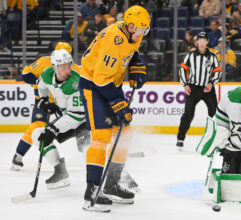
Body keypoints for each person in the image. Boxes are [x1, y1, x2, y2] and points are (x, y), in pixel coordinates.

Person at [79, 5, 150, 212]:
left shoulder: (133, 33)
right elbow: (101, 79)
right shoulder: (113, 39)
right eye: (140, 30)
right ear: (129, 26)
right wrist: (119, 104)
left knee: (123, 133)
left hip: (110, 83)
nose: (142, 34)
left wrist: (137, 64)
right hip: (93, 85)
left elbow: (132, 53)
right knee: (101, 137)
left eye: (145, 30)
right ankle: (91, 192)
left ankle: (111, 184)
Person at [11, 42, 80, 171]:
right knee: (37, 126)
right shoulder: (44, 62)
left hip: (62, 103)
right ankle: (19, 155)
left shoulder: (73, 68)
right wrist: (41, 87)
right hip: (44, 102)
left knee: (75, 125)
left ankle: (88, 149)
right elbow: (26, 75)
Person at [31, 49, 88, 189]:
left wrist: (53, 129)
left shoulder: (75, 83)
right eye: (62, 66)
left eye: (69, 65)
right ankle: (60, 171)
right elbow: (41, 86)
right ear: (54, 67)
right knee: (38, 135)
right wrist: (43, 100)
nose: (67, 69)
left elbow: (76, 116)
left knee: (89, 148)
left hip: (85, 122)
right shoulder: (47, 74)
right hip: (66, 119)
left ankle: (119, 175)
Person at [176, 32, 222, 149]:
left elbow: (218, 70)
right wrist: (185, 84)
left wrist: (212, 83)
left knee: (214, 113)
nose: (201, 43)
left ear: (207, 42)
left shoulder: (212, 56)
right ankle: (180, 138)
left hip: (207, 89)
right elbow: (182, 69)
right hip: (193, 88)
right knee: (188, 114)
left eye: (203, 40)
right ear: (196, 42)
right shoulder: (190, 55)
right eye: (199, 40)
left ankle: (216, 138)